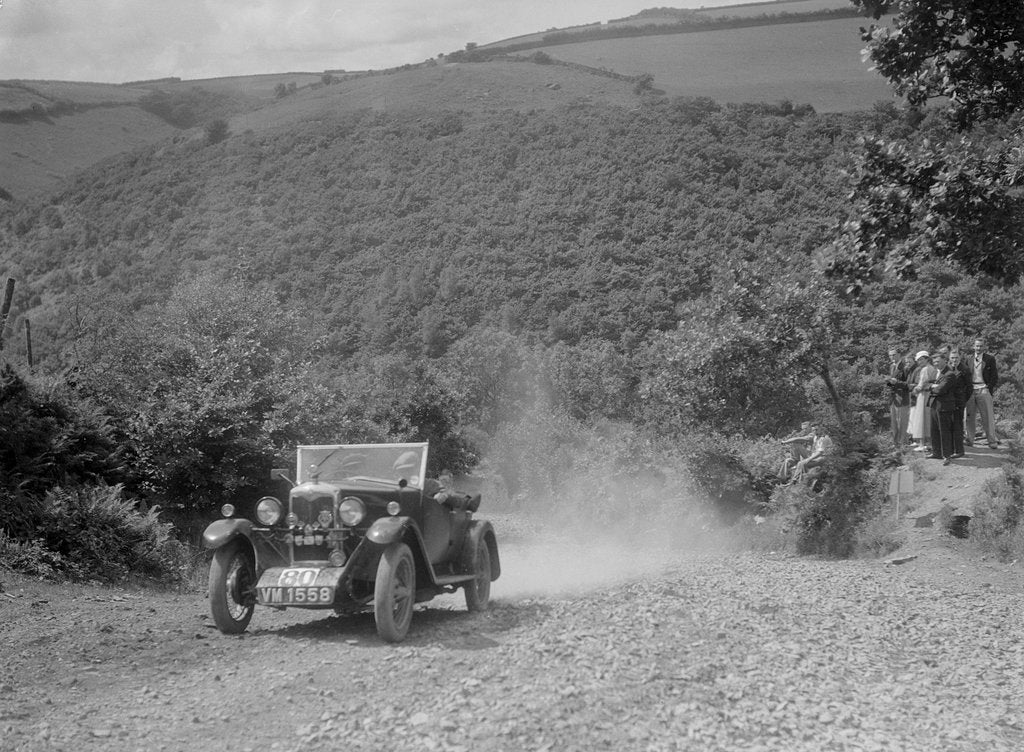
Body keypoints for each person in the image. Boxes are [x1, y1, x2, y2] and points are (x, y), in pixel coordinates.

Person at [964, 337, 1000, 449]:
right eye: (977, 346)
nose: (978, 348)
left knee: (988, 417)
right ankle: (969, 439)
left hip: (983, 389)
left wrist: (988, 387)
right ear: (973, 346)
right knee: (969, 417)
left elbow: (994, 376)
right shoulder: (968, 359)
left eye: (981, 346)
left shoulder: (989, 359)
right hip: (971, 389)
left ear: (984, 347)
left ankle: (992, 441)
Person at [927, 351, 957, 465]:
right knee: (934, 429)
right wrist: (932, 386)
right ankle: (936, 452)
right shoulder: (935, 372)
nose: (936, 364)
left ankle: (947, 455)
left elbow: (941, 390)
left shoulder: (950, 374)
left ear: (945, 360)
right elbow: (926, 384)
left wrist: (933, 387)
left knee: (944, 431)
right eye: (934, 362)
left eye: (938, 361)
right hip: (934, 404)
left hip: (944, 406)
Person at [908, 350, 937, 453]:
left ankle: (922, 444)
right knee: (927, 419)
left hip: (923, 395)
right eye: (918, 360)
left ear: (926, 359)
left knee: (921, 419)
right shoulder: (933, 368)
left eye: (921, 359)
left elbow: (921, 385)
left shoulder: (925, 369)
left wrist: (914, 390)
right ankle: (929, 443)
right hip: (929, 395)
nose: (919, 362)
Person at [948, 348, 973, 458]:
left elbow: (969, 387)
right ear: (949, 358)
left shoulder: (965, 369)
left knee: (958, 426)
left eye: (956, 357)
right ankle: (951, 448)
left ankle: (959, 450)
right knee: (949, 425)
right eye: (952, 357)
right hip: (948, 401)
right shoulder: (947, 368)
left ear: (960, 358)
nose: (954, 360)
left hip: (959, 401)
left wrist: (963, 399)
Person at [885, 346, 911, 450]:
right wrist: (888, 382)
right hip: (893, 397)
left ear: (899, 354)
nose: (892, 357)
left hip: (902, 397)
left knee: (902, 421)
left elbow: (908, 384)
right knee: (894, 422)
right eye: (890, 355)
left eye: (894, 354)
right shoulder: (891, 366)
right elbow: (891, 384)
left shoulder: (905, 366)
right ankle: (895, 443)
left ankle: (903, 443)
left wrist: (896, 382)